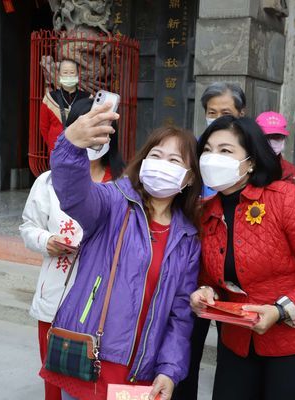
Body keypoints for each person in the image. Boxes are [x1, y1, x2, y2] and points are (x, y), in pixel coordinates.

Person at [39, 103, 202, 400]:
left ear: (189, 178)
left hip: (142, 370)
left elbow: (180, 315)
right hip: (93, 358)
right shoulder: (114, 201)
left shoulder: (187, 237)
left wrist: (169, 369)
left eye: (174, 160)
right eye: (156, 155)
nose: (162, 163)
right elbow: (74, 195)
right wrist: (70, 146)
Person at [189, 115, 295, 400]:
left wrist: (280, 311)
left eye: (225, 150)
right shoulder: (205, 211)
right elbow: (212, 275)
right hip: (237, 341)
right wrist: (206, 291)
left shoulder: (285, 199)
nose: (212, 158)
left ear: (250, 161)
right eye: (207, 150)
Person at [20, 98, 125, 400]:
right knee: (56, 381)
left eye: (102, 127)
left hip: (104, 306)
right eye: (85, 124)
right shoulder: (47, 181)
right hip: (56, 296)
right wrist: (45, 241)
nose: (94, 135)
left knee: (98, 383)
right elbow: (29, 226)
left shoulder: (123, 184)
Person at [173, 82, 248, 400]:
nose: (216, 118)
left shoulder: (246, 158)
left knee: (232, 354)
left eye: (225, 113)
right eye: (211, 112)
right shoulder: (196, 155)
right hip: (192, 273)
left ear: (241, 115)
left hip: (231, 276)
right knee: (184, 350)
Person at [39, 58, 90, 153]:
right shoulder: (49, 98)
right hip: (57, 152)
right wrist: (53, 145)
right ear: (59, 75)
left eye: (72, 72)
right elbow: (44, 127)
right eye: (65, 72)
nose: (69, 76)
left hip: (82, 152)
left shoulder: (88, 98)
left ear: (78, 75)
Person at [255, 111, 295, 186]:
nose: (272, 141)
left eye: (277, 137)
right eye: (268, 137)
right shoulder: (247, 167)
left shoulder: (291, 171)